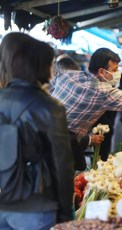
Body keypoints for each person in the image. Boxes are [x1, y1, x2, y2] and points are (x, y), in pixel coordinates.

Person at [0, 32, 74, 228]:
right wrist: (66, 214)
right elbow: (62, 166)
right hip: (36, 207)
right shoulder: (49, 107)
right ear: (39, 66)